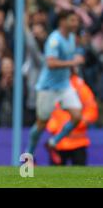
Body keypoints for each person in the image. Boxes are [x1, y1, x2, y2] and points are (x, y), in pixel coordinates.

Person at [26, 10, 85, 164]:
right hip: (48, 88)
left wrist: (73, 69)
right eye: (72, 20)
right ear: (62, 22)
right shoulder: (54, 39)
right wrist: (73, 63)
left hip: (64, 85)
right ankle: (29, 154)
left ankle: (53, 142)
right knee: (41, 123)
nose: (76, 24)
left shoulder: (71, 37)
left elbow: (68, 58)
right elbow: (51, 63)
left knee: (77, 116)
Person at [46, 74, 98, 166]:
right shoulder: (52, 86)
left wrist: (79, 123)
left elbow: (91, 109)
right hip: (58, 143)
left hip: (78, 142)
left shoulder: (80, 87)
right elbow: (46, 110)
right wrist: (52, 125)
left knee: (80, 176)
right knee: (56, 177)